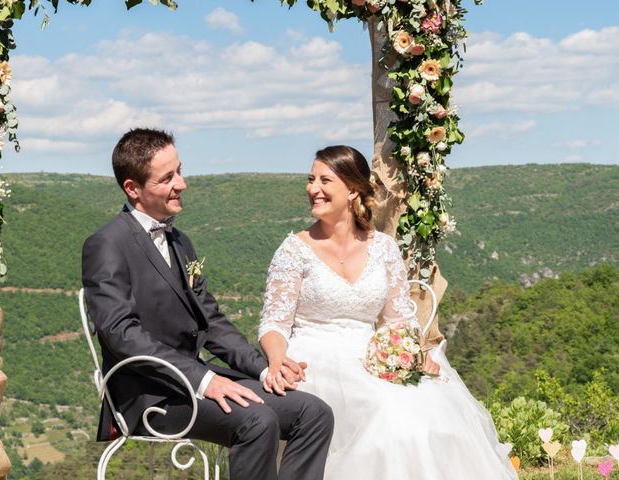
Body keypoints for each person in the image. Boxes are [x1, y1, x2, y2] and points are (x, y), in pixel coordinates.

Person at [81, 128, 334, 480]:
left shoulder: (180, 241)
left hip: (198, 383)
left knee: (314, 413)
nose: (181, 183)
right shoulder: (106, 244)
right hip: (151, 396)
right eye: (167, 178)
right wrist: (204, 380)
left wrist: (263, 370)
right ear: (132, 189)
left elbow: (211, 322)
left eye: (179, 171)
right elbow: (122, 335)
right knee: (258, 420)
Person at [258, 145, 519, 480]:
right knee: (386, 417)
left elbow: (399, 319)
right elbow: (273, 323)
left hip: (370, 354)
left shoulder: (382, 247)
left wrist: (413, 352)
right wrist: (278, 360)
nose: (313, 189)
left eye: (324, 180)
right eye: (311, 180)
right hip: (315, 358)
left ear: (352, 189)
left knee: (433, 409)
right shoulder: (294, 250)